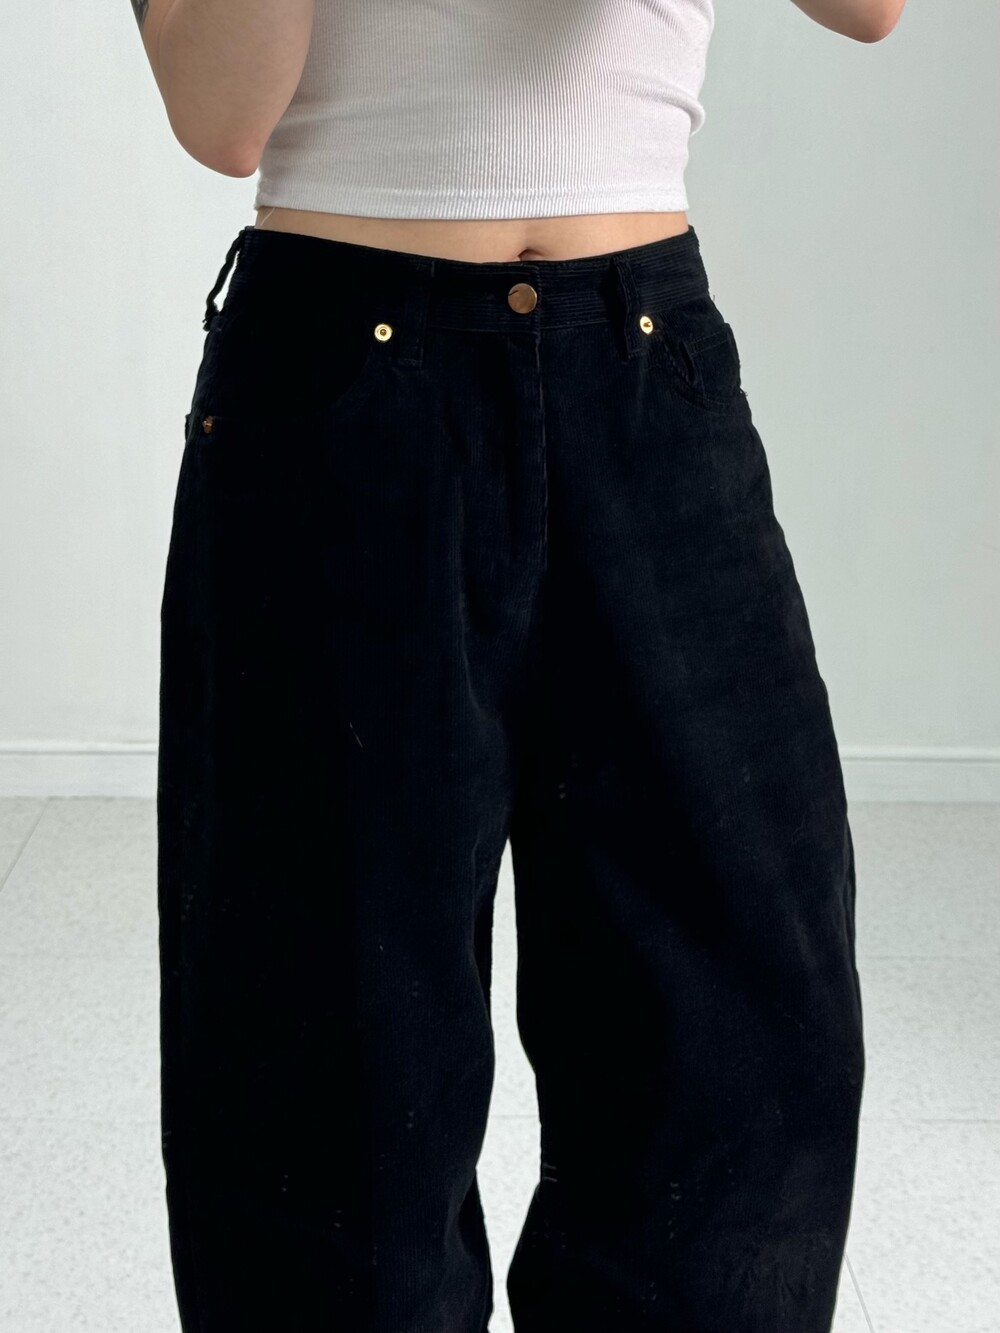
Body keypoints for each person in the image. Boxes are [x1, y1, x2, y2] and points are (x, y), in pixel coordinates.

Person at [138, 0, 899, 1328]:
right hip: (336, 375)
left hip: (644, 365)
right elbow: (220, 117)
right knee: (318, 1055)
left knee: (737, 1040)